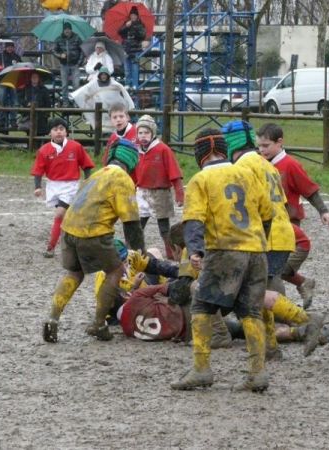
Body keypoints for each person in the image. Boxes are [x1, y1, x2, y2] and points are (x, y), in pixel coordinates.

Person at [170, 128, 273, 393]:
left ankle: (202, 369)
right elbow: (267, 213)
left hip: (224, 250)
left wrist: (195, 251)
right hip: (256, 250)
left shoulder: (200, 179)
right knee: (251, 312)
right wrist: (260, 241)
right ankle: (257, 373)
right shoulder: (247, 172)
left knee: (201, 307)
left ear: (200, 154)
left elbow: (193, 219)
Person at [222, 119, 323, 360]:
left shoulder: (243, 165)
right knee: (260, 292)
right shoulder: (263, 163)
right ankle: (271, 348)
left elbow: (249, 205)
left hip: (268, 236)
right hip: (280, 233)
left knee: (254, 294)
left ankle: (307, 322)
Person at [41, 139, 145, 343]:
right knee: (115, 271)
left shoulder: (98, 174)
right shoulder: (122, 179)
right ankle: (99, 323)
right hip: (93, 231)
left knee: (74, 272)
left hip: (69, 229)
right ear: (132, 161)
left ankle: (52, 317)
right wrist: (139, 251)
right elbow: (131, 222)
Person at [256, 122, 329, 306]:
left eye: (266, 146)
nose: (262, 150)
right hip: (266, 225)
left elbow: (309, 190)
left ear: (279, 142)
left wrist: (324, 211)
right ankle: (302, 284)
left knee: (271, 271)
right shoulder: (258, 164)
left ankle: (280, 310)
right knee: (267, 269)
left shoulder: (290, 165)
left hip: (288, 224)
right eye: (259, 146)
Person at [31, 117, 95, 258]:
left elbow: (87, 165)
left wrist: (88, 181)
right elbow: (38, 170)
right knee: (67, 218)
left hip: (70, 186)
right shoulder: (44, 150)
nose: (58, 132)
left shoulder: (75, 147)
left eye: (61, 129)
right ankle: (78, 243)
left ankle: (50, 247)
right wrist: (38, 187)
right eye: (55, 129)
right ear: (50, 133)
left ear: (66, 132)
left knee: (59, 214)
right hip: (53, 186)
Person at [135, 114, 184, 259]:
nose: (143, 136)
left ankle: (170, 253)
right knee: (138, 225)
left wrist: (179, 193)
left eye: (146, 133)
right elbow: (132, 173)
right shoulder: (137, 150)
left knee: (163, 227)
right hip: (142, 192)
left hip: (160, 193)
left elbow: (174, 172)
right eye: (140, 133)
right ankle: (135, 251)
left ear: (153, 133)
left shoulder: (162, 149)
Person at [71, 67, 134, 133]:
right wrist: (74, 95)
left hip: (113, 109)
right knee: (103, 128)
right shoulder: (94, 84)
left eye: (105, 75)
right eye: (102, 75)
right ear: (99, 75)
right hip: (102, 111)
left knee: (116, 125)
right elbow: (84, 90)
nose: (103, 76)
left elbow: (124, 92)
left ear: (108, 75)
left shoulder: (114, 84)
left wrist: (130, 105)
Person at [52, 22, 84, 107]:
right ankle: (65, 102)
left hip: (75, 64)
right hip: (64, 65)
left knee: (76, 85)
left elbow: (82, 51)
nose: (67, 31)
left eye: (68, 29)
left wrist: (79, 63)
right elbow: (53, 51)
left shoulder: (77, 38)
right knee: (64, 85)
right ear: (63, 30)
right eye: (65, 29)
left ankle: (75, 102)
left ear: (71, 30)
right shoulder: (58, 39)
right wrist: (60, 55)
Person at [0, 41, 22, 128]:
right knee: (1, 100)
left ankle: (13, 121)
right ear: (5, 47)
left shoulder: (16, 57)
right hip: (2, 81)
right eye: (8, 47)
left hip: (13, 81)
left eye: (11, 47)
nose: (10, 48)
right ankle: (1, 120)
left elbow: (21, 68)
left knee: (14, 102)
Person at [118, 6, 146, 89]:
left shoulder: (140, 24)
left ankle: (134, 84)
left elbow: (142, 36)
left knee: (135, 69)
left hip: (136, 50)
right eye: (131, 15)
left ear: (137, 16)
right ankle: (128, 84)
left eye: (134, 15)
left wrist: (133, 29)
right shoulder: (126, 23)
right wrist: (126, 26)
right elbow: (119, 32)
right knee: (127, 69)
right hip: (126, 49)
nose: (133, 16)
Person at [18, 72, 52, 137]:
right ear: (30, 78)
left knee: (41, 132)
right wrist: (26, 103)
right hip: (28, 113)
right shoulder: (26, 88)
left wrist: (46, 114)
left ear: (39, 79)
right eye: (33, 77)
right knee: (29, 132)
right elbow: (20, 99)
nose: (34, 79)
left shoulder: (44, 89)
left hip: (41, 114)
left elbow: (48, 102)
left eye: (36, 77)